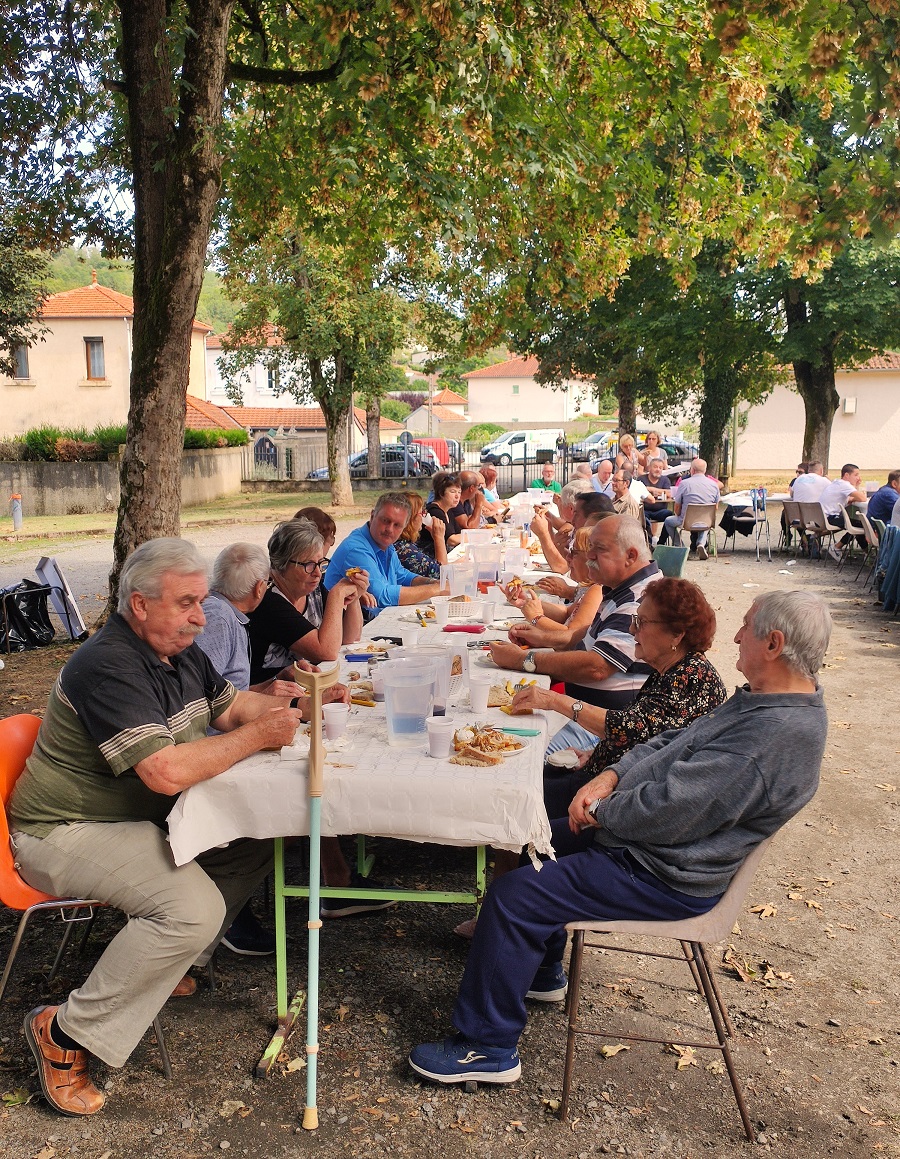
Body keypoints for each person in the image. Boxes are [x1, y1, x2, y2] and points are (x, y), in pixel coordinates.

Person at [409, 589, 832, 1087]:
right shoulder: (765, 699)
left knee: (512, 896)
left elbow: (674, 811)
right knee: (529, 842)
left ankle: (486, 1046)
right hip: (651, 843)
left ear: (774, 643)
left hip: (662, 870)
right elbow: (674, 740)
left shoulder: (773, 735)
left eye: (745, 627)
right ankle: (540, 974)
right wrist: (610, 777)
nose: (735, 636)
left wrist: (603, 811)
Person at [7, 538, 343, 1116]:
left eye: (200, 600)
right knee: (191, 910)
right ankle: (62, 1033)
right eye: (185, 602)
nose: (199, 616)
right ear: (139, 604)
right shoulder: (108, 665)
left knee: (260, 833)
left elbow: (232, 708)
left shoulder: (176, 647)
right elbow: (163, 772)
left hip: (132, 821)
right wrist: (258, 735)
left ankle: (176, 961)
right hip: (61, 831)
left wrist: (310, 703)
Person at [198, 544, 377, 947]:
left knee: (313, 772)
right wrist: (299, 705)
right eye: (310, 563)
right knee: (302, 783)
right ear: (263, 586)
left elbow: (222, 694)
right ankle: (226, 915)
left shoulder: (230, 615)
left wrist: (272, 683)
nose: (317, 571)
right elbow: (204, 705)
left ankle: (333, 878)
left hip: (228, 730)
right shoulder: (219, 620)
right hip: (212, 749)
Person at [512, 576, 726, 818]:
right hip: (608, 774)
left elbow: (629, 729)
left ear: (676, 635)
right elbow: (646, 732)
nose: (631, 629)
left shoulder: (691, 678)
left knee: (521, 795)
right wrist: (595, 753)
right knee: (527, 776)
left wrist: (553, 700)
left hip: (619, 799)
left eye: (641, 622)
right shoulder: (673, 668)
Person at [488, 515, 659, 755]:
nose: (590, 557)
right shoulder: (622, 587)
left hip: (604, 722)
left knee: (522, 755)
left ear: (631, 556)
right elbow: (584, 634)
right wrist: (541, 637)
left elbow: (597, 667)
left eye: (599, 550)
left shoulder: (638, 599)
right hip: (583, 709)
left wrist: (523, 660)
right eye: (588, 549)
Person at [248, 519, 368, 684]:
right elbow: (326, 652)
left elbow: (349, 637)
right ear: (281, 563)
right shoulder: (268, 600)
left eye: (320, 563)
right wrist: (337, 594)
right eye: (309, 565)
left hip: (302, 686)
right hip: (266, 695)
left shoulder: (311, 589)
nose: (318, 573)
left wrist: (354, 597)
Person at [324, 492, 446, 609]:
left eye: (397, 525)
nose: (389, 529)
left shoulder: (384, 543)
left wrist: (433, 582)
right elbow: (381, 596)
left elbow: (401, 576)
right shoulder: (356, 549)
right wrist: (436, 589)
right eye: (385, 521)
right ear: (372, 516)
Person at [662, 458, 721, 561]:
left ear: (692, 470)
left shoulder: (684, 484)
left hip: (687, 521)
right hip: (706, 521)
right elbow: (715, 507)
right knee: (706, 521)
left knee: (668, 521)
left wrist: (679, 515)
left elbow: (677, 505)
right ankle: (701, 543)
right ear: (705, 470)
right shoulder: (714, 485)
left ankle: (681, 546)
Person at [818, 463, 867, 560]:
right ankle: (837, 547)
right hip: (830, 517)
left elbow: (848, 499)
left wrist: (855, 488)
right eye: (856, 475)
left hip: (821, 516)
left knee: (857, 524)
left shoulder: (837, 482)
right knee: (859, 525)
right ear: (847, 475)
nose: (858, 478)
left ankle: (867, 552)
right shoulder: (844, 485)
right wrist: (857, 487)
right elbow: (862, 498)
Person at [395, 492, 447, 578]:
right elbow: (442, 574)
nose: (425, 516)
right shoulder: (404, 549)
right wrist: (439, 538)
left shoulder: (406, 543)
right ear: (411, 518)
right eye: (422, 512)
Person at [422, 472, 463, 551]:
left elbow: (460, 533)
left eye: (459, 492)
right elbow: (451, 540)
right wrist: (477, 536)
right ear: (441, 493)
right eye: (453, 492)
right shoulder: (434, 511)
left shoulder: (448, 510)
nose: (457, 496)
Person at [637, 456, 675, 542]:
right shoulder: (641, 479)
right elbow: (638, 491)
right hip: (645, 510)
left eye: (660, 468)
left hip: (660, 510)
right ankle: (649, 543)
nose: (658, 469)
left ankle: (661, 542)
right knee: (642, 518)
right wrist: (662, 492)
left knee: (670, 516)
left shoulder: (665, 480)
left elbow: (669, 493)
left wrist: (650, 489)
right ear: (649, 468)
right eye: (655, 467)